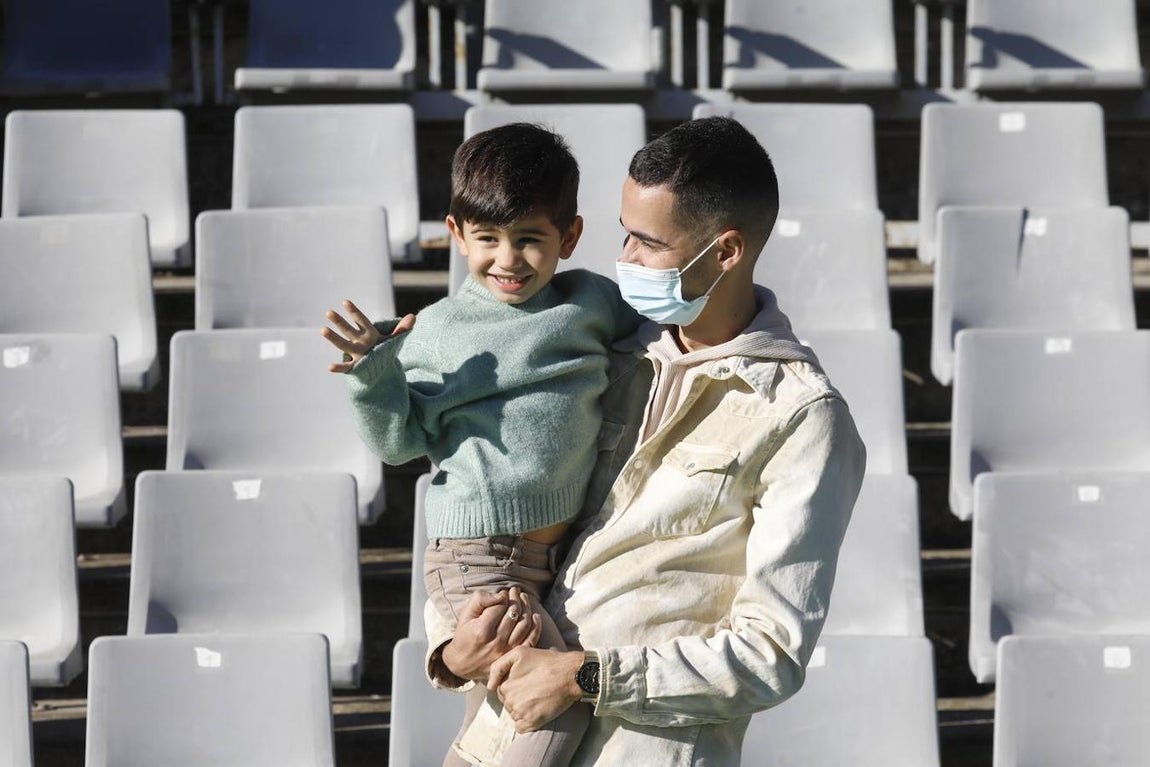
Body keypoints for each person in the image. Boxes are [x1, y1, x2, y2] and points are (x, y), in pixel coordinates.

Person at [427, 116, 868, 766]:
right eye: (623, 235)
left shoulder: (802, 416)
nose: (624, 259)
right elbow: (485, 499)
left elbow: (770, 653)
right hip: (502, 734)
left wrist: (586, 675)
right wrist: (452, 645)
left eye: (647, 242)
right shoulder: (599, 351)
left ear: (725, 252)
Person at [321, 122, 639, 767]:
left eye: (530, 240)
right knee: (548, 722)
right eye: (488, 239)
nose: (508, 259)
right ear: (457, 233)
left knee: (495, 721)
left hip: (562, 557)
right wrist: (371, 375)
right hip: (480, 560)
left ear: (569, 237)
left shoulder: (595, 302)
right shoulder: (436, 331)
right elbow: (397, 442)